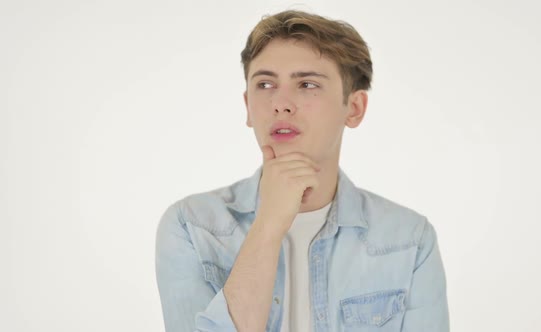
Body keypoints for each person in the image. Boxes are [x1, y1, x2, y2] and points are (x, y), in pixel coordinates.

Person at [156, 10, 449, 332]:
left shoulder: (407, 239)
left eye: (307, 84)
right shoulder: (193, 226)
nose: (281, 103)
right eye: (265, 84)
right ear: (248, 107)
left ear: (354, 108)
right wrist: (269, 223)